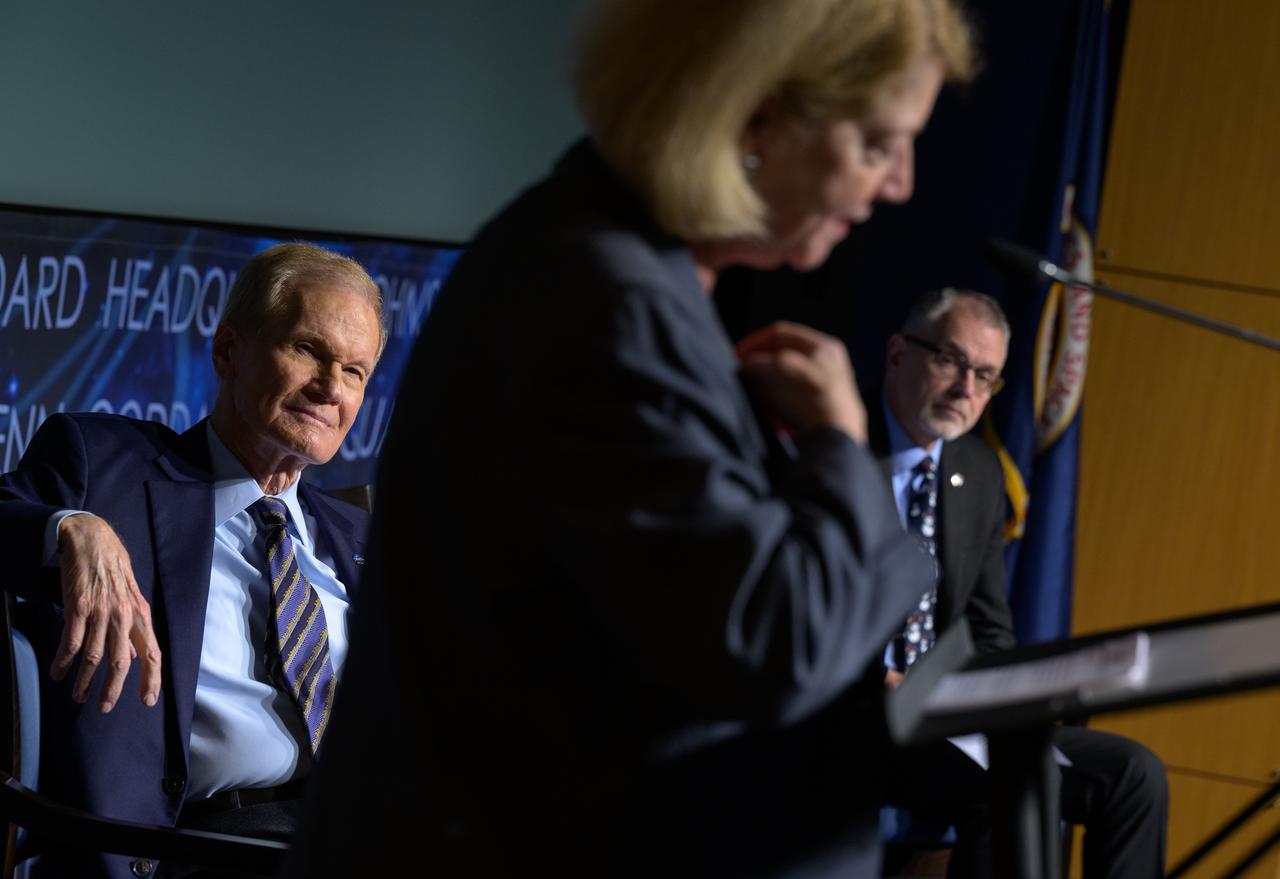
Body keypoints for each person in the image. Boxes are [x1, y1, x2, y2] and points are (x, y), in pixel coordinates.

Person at [292, 1, 980, 877]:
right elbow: (774, 641)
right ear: (754, 109)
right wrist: (842, 448)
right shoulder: (609, 305)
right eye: (878, 144)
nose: (901, 184)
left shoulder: (616, 268)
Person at [0, 242, 384, 879]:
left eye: (355, 372)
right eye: (308, 350)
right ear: (228, 350)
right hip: (193, 849)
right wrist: (70, 524)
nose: (329, 389)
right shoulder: (105, 468)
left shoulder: (361, 534)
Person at [872, 287, 1169, 877]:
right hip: (858, 712)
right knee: (1004, 785)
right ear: (899, 354)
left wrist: (1010, 699)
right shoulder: (836, 448)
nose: (967, 390)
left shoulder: (977, 471)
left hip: (947, 716)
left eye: (986, 377)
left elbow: (987, 623)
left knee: (1133, 774)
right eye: (952, 362)